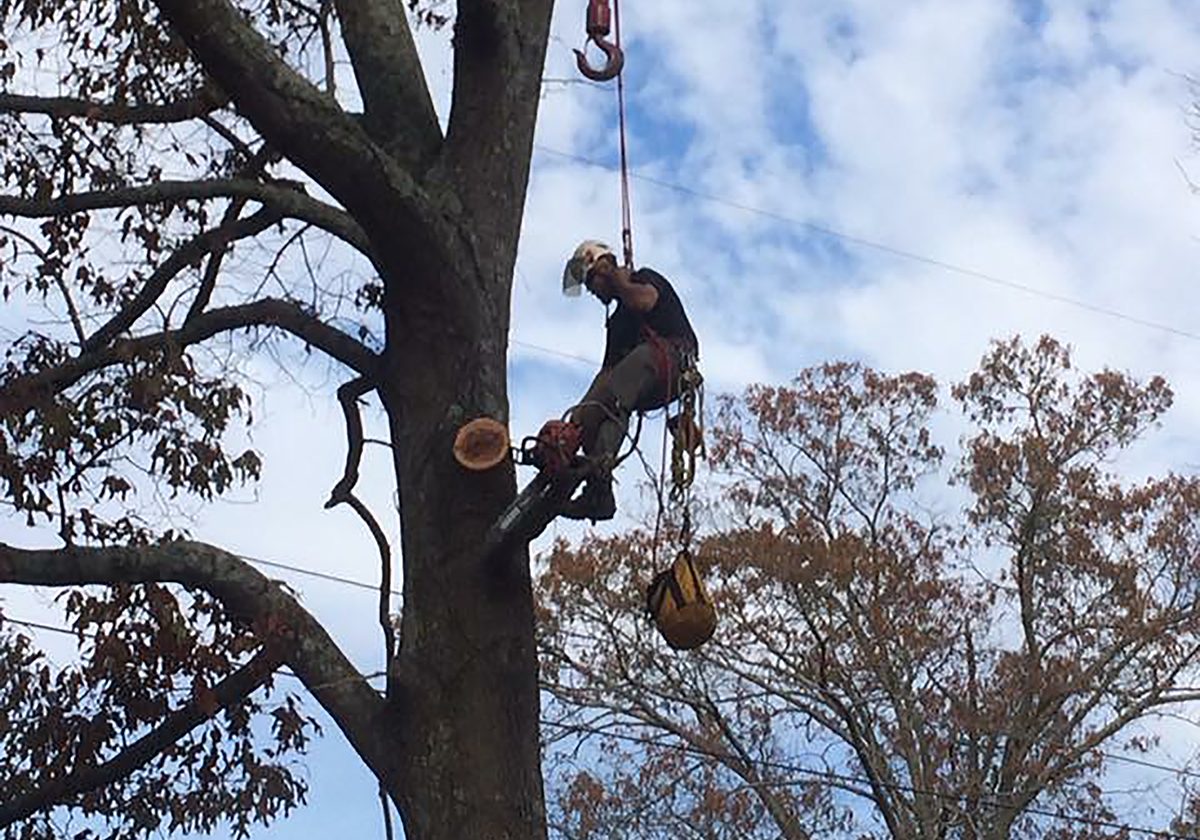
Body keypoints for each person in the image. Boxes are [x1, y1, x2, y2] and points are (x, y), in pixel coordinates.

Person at [559, 240, 700, 521]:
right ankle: (599, 491)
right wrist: (581, 417)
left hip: (672, 360)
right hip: (640, 380)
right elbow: (607, 375)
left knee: (630, 371)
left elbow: (643, 301)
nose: (592, 292)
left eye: (591, 283)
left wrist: (617, 277)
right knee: (602, 411)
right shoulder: (617, 323)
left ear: (601, 267)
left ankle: (598, 473)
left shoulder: (642, 279)